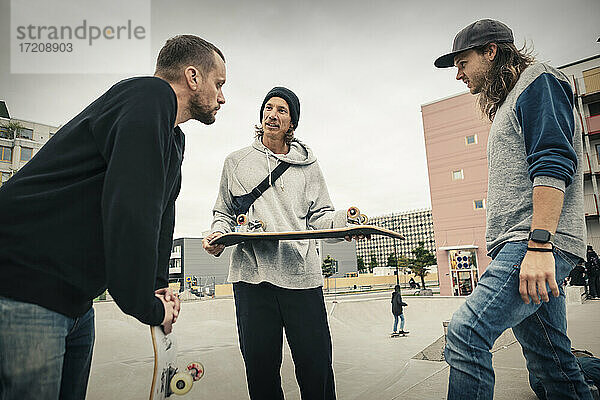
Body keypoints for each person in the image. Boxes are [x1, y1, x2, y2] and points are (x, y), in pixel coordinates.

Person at [0, 35, 226, 400]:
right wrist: (144, 305)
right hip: (26, 286)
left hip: (74, 302)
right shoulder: (147, 97)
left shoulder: (172, 138)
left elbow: (160, 214)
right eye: (219, 84)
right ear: (192, 77)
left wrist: (158, 284)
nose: (222, 97)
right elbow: (131, 207)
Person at [435, 19, 593, 399]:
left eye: (462, 62)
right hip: (522, 246)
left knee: (465, 333)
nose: (458, 74)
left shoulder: (538, 80)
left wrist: (539, 246)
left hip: (534, 243)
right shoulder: (510, 101)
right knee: (551, 363)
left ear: (490, 51)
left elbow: (553, 161)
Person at [203, 86, 360, 400]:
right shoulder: (236, 162)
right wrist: (218, 234)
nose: (273, 115)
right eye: (268, 108)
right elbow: (223, 211)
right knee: (260, 372)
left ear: (292, 123)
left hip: (300, 277)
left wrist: (347, 220)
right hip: (251, 279)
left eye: (282, 110)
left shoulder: (308, 165)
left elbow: (320, 216)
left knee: (316, 368)